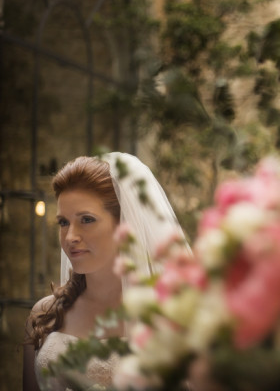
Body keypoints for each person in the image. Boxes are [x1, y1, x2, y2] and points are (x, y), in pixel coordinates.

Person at [23, 152, 187, 391]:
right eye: (63, 222)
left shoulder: (171, 316)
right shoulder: (43, 316)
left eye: (87, 220)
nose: (70, 237)